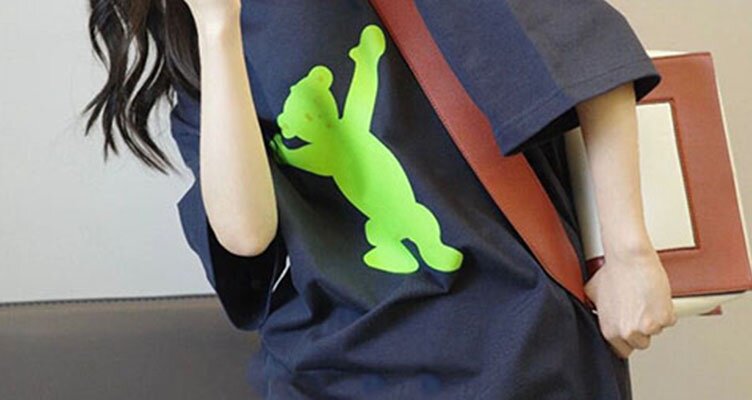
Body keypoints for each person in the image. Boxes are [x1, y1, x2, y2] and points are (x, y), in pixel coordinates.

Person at [84, 0, 678, 398]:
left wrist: (630, 254)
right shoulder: (193, 36)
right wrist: (218, 28)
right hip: (327, 371)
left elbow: (581, 47)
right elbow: (246, 234)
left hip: (514, 349)